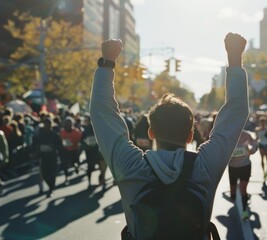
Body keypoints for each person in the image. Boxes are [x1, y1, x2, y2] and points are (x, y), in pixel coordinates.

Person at [90, 33, 249, 239]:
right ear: (191, 135)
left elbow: (101, 113)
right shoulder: (204, 166)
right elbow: (236, 112)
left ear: (151, 132)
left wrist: (107, 64)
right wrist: (235, 59)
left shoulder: (131, 166)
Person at [228, 129, 257, 219]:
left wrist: (252, 151)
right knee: (233, 192)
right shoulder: (229, 135)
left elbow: (254, 145)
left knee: (243, 189)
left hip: (245, 166)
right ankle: (235, 201)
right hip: (233, 167)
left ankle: (244, 211)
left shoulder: (246, 135)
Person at [33, 117, 63, 197]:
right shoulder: (40, 134)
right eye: (45, 124)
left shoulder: (55, 134)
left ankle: (51, 189)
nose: (47, 125)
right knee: (44, 174)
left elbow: (59, 145)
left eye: (48, 124)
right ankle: (50, 186)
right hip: (43, 157)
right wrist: (36, 153)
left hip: (52, 156)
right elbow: (35, 144)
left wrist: (58, 152)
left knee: (52, 173)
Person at [81, 114, 108, 189]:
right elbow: (82, 141)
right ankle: (89, 183)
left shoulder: (100, 129)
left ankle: (103, 181)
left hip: (99, 152)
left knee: (102, 167)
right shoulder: (85, 130)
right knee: (90, 168)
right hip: (90, 152)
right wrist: (86, 144)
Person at [60, 116, 82, 184]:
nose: (68, 125)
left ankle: (76, 166)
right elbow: (60, 140)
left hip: (74, 150)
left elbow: (80, 141)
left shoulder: (76, 131)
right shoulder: (62, 131)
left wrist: (76, 145)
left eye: (69, 124)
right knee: (65, 165)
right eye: (66, 124)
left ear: (72, 124)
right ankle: (66, 177)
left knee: (74, 162)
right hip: (65, 150)